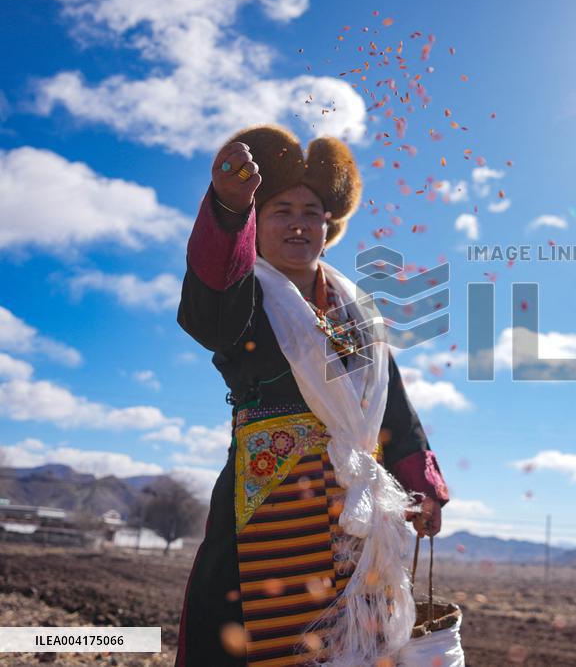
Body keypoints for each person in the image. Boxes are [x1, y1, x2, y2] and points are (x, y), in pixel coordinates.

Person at [174, 124, 450, 667]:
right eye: (281, 210)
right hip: (268, 502)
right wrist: (229, 209)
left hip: (353, 510)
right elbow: (207, 305)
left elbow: (389, 402)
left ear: (330, 224)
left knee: (352, 639)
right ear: (257, 222)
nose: (299, 223)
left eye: (312, 212)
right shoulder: (244, 294)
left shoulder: (355, 313)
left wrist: (420, 482)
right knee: (249, 637)